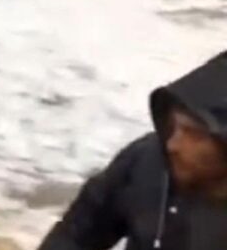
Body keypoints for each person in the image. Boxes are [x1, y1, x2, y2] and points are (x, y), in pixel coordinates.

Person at [38, 50, 227, 250]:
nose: (173, 144)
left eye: (193, 133)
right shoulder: (146, 162)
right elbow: (74, 236)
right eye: (175, 126)